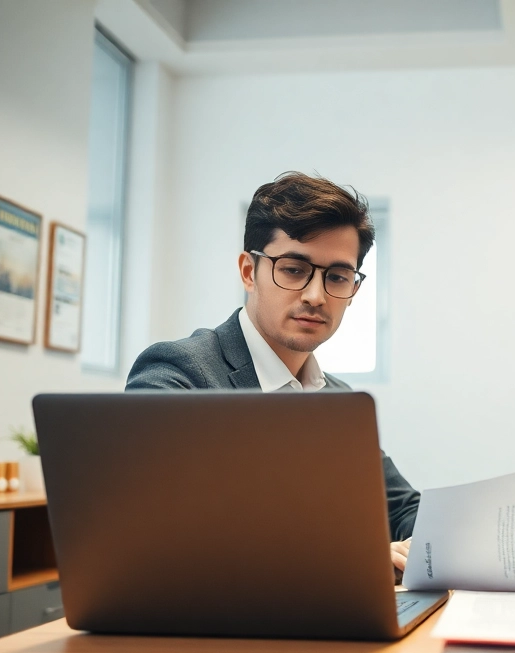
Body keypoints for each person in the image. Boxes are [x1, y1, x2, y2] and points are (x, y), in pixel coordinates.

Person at [126, 172, 416, 572]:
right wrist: (351, 559)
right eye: (294, 269)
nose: (316, 296)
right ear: (249, 272)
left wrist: (446, 540)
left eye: (337, 277)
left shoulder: (340, 400)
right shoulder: (178, 373)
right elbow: (166, 526)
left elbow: (402, 508)